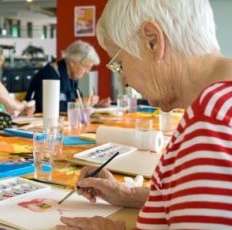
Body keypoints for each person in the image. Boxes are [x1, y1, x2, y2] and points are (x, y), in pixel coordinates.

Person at [57, 1, 232, 230]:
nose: (124, 80)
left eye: (119, 63)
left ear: (152, 40)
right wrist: (127, 194)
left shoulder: (210, 123)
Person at [24, 40, 111, 113]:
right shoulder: (49, 74)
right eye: (86, 66)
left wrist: (95, 104)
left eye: (90, 67)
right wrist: (80, 103)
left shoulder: (72, 75)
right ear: (73, 62)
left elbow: (76, 100)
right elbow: (50, 108)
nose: (88, 71)